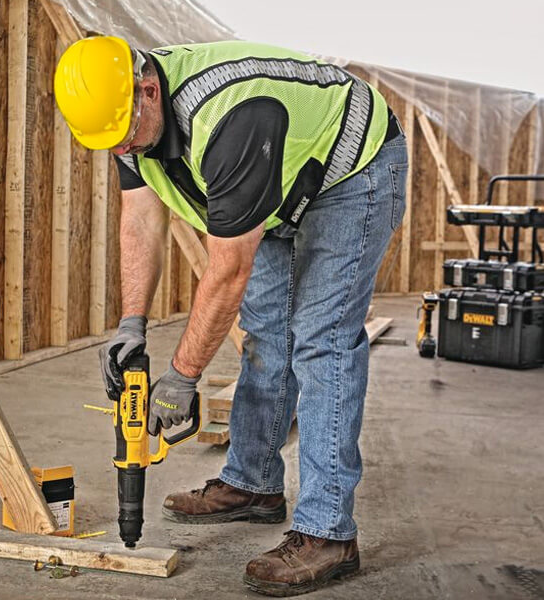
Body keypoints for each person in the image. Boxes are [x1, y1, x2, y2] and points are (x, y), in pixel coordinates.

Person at [54, 36, 407, 597]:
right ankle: (254, 484)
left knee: (321, 340)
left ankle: (328, 533)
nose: (119, 148)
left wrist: (182, 377)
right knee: (265, 334)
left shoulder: (230, 117)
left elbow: (226, 274)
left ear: (148, 91)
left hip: (352, 171)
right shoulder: (128, 121)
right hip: (279, 175)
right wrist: (131, 324)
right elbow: (140, 219)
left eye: (122, 135)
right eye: (109, 143)